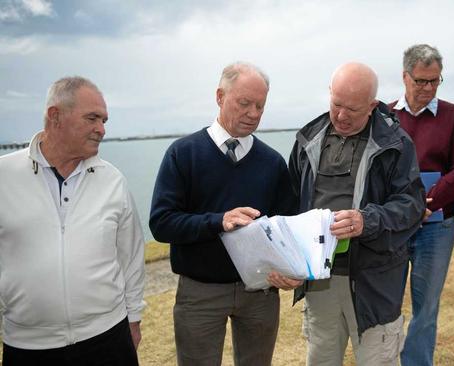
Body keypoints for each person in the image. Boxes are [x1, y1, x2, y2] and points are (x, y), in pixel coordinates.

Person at [149, 62, 299, 366]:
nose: (254, 113)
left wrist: (290, 269)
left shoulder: (272, 163)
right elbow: (161, 223)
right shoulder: (183, 153)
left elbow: (288, 227)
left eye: (260, 105)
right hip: (199, 293)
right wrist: (219, 221)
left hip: (260, 293)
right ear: (220, 96)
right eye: (244, 103)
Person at [0, 76, 145, 365]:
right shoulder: (4, 176)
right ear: (55, 116)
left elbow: (131, 257)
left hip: (109, 336)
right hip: (29, 345)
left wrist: (134, 318)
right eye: (92, 118)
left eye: (104, 120)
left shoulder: (112, 180)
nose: (101, 129)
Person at [288, 62, 425, 366]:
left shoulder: (397, 144)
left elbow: (412, 207)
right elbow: (290, 205)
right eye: (336, 104)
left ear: (373, 105)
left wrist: (367, 220)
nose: (341, 115)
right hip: (320, 280)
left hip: (374, 283)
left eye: (352, 109)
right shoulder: (307, 140)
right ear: (329, 94)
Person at [389, 44, 454, 366]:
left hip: (436, 229)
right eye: (420, 81)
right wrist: (403, 210)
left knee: (426, 309)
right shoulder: (384, 115)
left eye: (434, 81)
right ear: (405, 76)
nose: (427, 89)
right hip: (394, 227)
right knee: (387, 303)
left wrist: (428, 203)